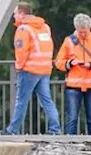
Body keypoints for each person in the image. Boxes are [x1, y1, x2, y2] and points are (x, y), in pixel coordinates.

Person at [3, 3, 60, 135]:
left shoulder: (23, 29)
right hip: (45, 69)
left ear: (22, 14)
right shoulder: (45, 27)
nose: (14, 16)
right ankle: (55, 129)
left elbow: (21, 51)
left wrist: (19, 66)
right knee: (46, 100)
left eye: (15, 13)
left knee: (21, 101)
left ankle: (13, 130)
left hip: (30, 69)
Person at [54, 13, 91, 134]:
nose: (83, 34)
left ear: (90, 28)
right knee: (72, 118)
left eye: (85, 31)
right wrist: (70, 63)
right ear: (76, 28)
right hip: (74, 85)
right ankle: (70, 144)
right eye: (80, 32)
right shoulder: (69, 41)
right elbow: (58, 62)